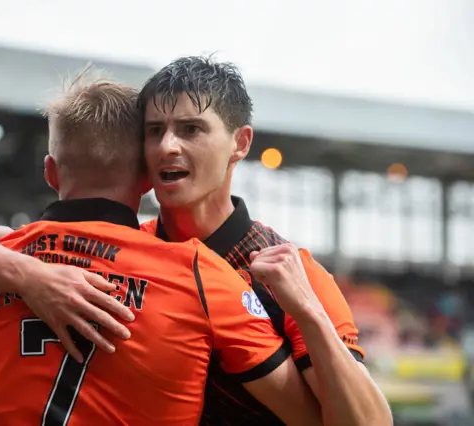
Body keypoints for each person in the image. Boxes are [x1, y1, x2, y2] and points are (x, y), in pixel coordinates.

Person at [0, 74, 321, 425]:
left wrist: (27, 272)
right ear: (147, 178)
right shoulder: (200, 273)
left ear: (51, 172)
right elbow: (309, 417)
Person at [136, 55, 392, 426]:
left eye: (191, 129)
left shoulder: (293, 273)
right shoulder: (123, 249)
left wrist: (307, 310)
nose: (167, 146)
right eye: (154, 130)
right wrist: (23, 271)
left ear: (240, 143)